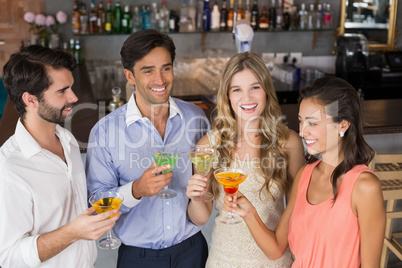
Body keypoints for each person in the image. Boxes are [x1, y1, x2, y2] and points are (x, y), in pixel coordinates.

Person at [225, 76, 386, 267]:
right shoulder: (304, 175)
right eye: (301, 121)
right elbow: (276, 248)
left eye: (313, 123)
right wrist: (249, 213)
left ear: (343, 124)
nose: (302, 132)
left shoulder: (365, 187)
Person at [85, 29, 210, 268]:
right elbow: (96, 202)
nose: (160, 80)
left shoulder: (196, 118)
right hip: (139, 259)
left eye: (166, 68)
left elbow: (207, 179)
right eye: (148, 70)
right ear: (129, 76)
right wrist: (136, 190)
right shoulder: (105, 132)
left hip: (192, 250)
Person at [0, 45, 120, 267]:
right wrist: (73, 232)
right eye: (62, 91)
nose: (74, 97)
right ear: (31, 100)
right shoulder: (9, 169)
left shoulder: (67, 140)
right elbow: (8, 257)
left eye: (71, 87)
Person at [186, 52, 305, 267]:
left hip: (275, 261)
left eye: (255, 87)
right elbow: (200, 218)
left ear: (267, 91)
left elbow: (298, 212)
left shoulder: (289, 143)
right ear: (227, 97)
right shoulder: (208, 145)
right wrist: (196, 198)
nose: (247, 98)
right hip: (224, 260)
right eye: (237, 90)